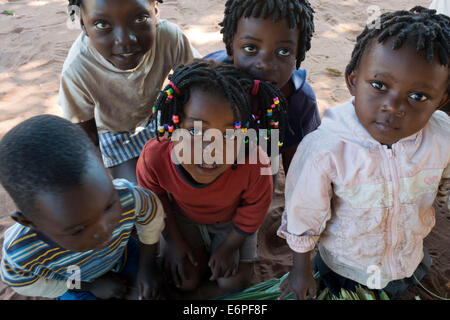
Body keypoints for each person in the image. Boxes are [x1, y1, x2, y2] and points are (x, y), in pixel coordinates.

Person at [277, 6, 450, 300]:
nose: (394, 106)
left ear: (441, 100)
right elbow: (303, 214)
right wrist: (300, 269)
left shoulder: (442, 136)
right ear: (353, 80)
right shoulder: (326, 149)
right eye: (379, 85)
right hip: (346, 270)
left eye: (418, 96)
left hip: (408, 260)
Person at [136, 60, 287, 299]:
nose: (212, 149)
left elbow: (254, 210)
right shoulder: (154, 157)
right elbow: (155, 202)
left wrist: (229, 246)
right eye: (195, 131)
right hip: (182, 219)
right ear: (174, 124)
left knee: (233, 282)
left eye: (229, 134)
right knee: (183, 279)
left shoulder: (254, 162)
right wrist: (174, 241)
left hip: (233, 223)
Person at [0, 115, 165, 300]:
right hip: (74, 280)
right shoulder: (21, 251)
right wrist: (89, 285)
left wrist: (147, 267)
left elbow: (151, 215)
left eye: (109, 206)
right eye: (79, 230)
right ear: (29, 222)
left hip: (122, 257)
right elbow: (23, 283)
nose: (103, 230)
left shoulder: (125, 196)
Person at [59, 0, 201, 184]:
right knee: (141, 193)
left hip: (156, 121)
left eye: (140, 18)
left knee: (190, 177)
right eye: (103, 24)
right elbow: (85, 134)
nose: (125, 40)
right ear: (83, 25)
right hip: (113, 134)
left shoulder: (168, 37)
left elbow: (200, 80)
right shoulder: (78, 68)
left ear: (155, 11)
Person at [204, 0, 320, 175]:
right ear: (230, 46)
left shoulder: (299, 100)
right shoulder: (208, 84)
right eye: (250, 48)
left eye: (283, 51)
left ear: (299, 53)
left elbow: (298, 168)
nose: (265, 64)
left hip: (263, 172)